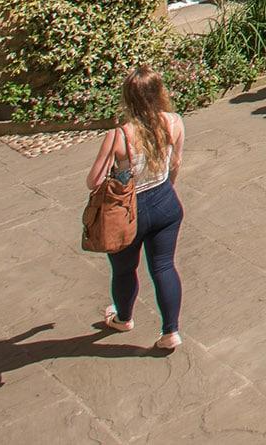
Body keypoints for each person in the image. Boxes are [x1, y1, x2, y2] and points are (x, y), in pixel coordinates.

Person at [88, 66, 186, 352]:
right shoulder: (174, 122)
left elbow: (93, 180)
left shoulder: (119, 136)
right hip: (166, 202)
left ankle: (123, 318)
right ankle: (171, 332)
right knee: (164, 266)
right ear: (159, 94)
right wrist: (167, 190)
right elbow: (175, 164)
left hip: (128, 211)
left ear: (128, 98)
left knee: (124, 270)